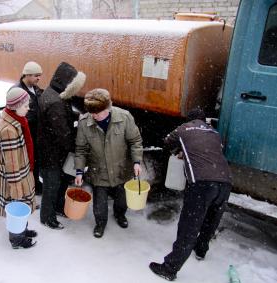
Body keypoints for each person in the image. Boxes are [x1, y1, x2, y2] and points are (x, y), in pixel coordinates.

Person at [149, 108, 232, 281]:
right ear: (204, 120)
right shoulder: (214, 133)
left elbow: (167, 142)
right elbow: (212, 151)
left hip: (202, 184)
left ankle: (169, 269)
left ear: (189, 120)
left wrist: (178, 151)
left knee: (189, 226)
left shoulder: (183, 129)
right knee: (211, 220)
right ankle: (201, 250)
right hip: (225, 182)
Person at [74, 88, 143, 238]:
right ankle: (100, 223)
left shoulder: (124, 117)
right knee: (99, 204)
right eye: (91, 112)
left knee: (121, 200)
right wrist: (79, 171)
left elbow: (135, 141)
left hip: (121, 169)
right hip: (98, 171)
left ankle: (120, 215)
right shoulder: (85, 122)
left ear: (108, 107)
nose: (94, 116)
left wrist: (137, 161)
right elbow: (80, 149)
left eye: (97, 112)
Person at [37, 61, 86, 229]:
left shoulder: (52, 93)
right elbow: (63, 134)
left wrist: (74, 116)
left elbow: (62, 114)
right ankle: (47, 217)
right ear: (66, 83)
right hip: (52, 153)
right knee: (52, 185)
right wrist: (77, 146)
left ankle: (58, 207)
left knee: (59, 182)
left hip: (49, 149)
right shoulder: (56, 102)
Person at [0, 87, 37, 249]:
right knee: (17, 206)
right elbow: (12, 165)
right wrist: (16, 189)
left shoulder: (16, 120)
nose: (28, 108)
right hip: (14, 178)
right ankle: (16, 239)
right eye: (25, 105)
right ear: (15, 107)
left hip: (21, 173)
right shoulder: (9, 130)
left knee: (22, 206)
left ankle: (22, 230)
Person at [12, 61, 44, 195]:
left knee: (35, 160)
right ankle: (29, 186)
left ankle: (35, 183)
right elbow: (15, 115)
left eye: (39, 75)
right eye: (36, 75)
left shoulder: (35, 89)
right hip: (26, 133)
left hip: (35, 133)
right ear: (27, 75)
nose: (39, 78)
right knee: (26, 162)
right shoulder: (17, 91)